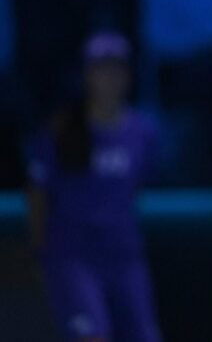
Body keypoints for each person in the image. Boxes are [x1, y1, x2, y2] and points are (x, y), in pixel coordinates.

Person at [26, 31, 161, 342]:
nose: (109, 78)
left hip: (125, 255)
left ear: (128, 76)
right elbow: (37, 192)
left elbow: (145, 184)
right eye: (101, 69)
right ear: (87, 76)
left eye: (117, 69)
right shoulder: (63, 130)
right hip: (74, 256)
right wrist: (39, 250)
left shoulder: (143, 133)